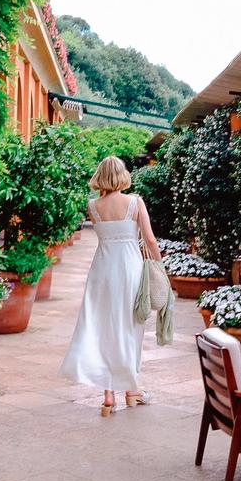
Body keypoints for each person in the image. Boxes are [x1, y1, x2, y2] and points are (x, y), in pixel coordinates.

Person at [58, 155, 162, 416]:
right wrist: (159, 267)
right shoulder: (135, 202)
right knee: (130, 327)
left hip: (102, 270)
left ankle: (108, 398)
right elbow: (149, 239)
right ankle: (132, 391)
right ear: (122, 175)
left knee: (103, 328)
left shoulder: (93, 206)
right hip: (129, 269)